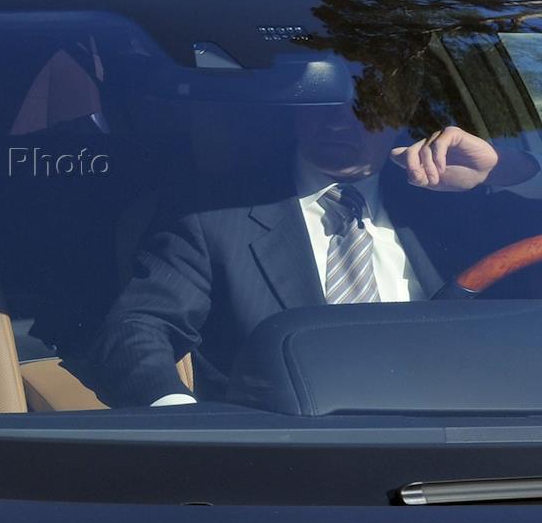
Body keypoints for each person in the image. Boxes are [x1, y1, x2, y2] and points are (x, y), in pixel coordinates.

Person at [87, 83, 542, 409]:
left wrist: (506, 169)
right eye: (320, 99)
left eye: (366, 102)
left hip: (460, 447)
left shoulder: (457, 204)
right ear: (294, 108)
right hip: (290, 461)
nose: (340, 120)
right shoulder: (214, 216)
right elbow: (135, 329)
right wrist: (184, 423)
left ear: (404, 108)